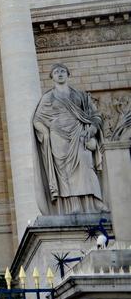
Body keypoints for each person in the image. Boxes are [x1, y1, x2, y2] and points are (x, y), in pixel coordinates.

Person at [33, 64, 107, 214]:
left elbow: (95, 116)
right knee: (65, 172)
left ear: (68, 74)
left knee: (86, 165)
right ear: (51, 77)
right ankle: (74, 205)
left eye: (62, 71)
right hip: (58, 138)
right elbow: (37, 120)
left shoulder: (79, 95)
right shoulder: (48, 97)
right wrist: (45, 133)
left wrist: (92, 129)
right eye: (56, 72)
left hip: (79, 134)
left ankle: (95, 201)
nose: (59, 74)